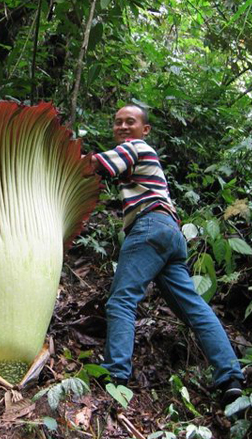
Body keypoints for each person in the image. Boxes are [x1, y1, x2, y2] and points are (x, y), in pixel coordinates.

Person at [89, 104, 244, 406]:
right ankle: (230, 376)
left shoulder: (135, 147)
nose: (121, 127)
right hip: (171, 233)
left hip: (148, 227)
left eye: (129, 122)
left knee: (121, 300)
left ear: (144, 129)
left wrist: (52, 156)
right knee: (194, 308)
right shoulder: (139, 154)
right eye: (117, 122)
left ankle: (115, 375)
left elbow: (94, 164)